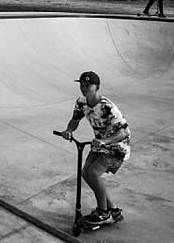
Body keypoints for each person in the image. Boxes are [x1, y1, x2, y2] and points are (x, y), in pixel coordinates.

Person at [55, 71, 130, 227]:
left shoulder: (107, 106)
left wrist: (104, 141)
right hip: (99, 144)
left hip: (117, 146)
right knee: (86, 174)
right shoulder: (81, 103)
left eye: (88, 86)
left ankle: (103, 213)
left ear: (97, 87)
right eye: (82, 85)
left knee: (94, 174)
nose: (84, 88)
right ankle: (113, 210)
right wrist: (69, 130)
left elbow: (123, 132)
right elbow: (75, 120)